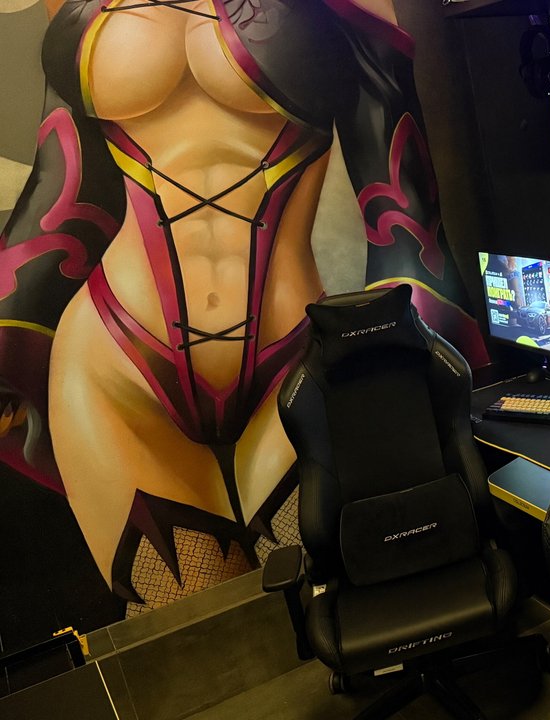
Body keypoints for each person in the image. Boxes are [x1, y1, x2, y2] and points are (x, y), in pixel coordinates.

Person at [0, 0, 487, 606]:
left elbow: (400, 188)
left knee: (330, 608)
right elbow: (61, 183)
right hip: (112, 362)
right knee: (205, 637)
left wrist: (411, 346)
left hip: (296, 360)